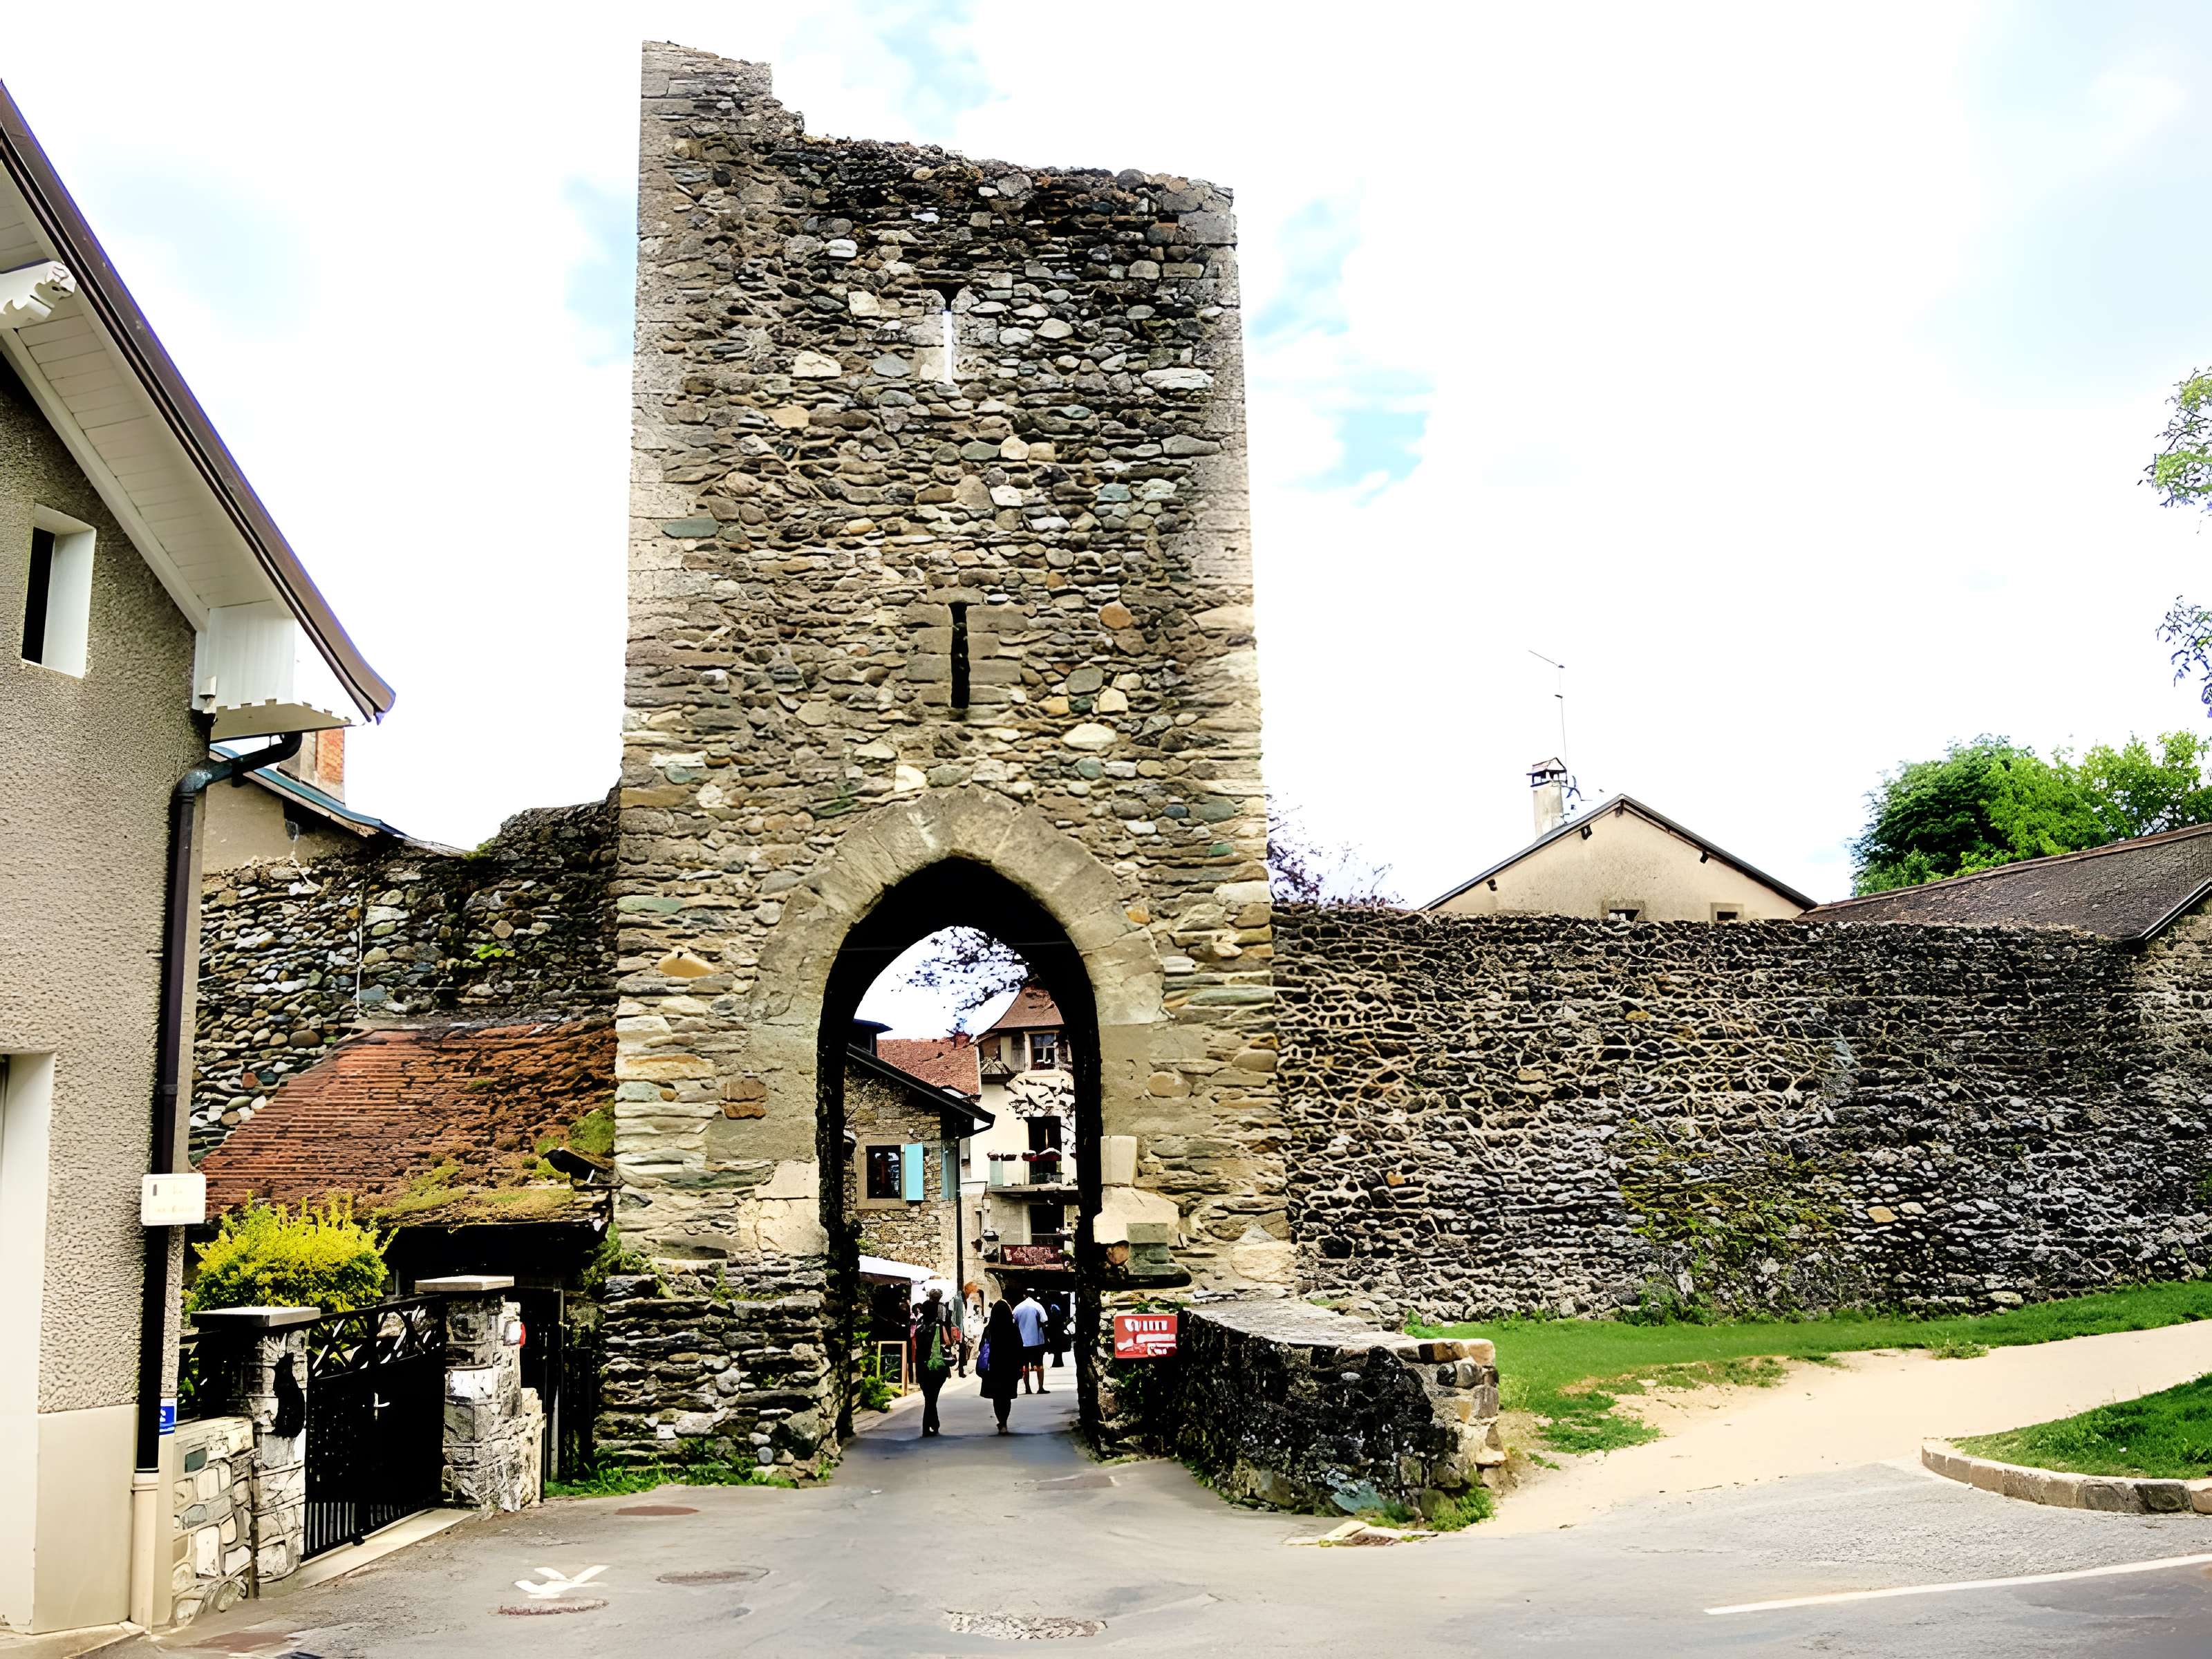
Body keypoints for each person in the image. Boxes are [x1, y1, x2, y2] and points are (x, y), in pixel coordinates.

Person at [910, 1286, 957, 1437]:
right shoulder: (939, 1325)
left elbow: (916, 1344)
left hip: (922, 1364)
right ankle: (930, 1424)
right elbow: (948, 1343)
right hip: (936, 1365)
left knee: (928, 1396)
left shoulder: (919, 1326)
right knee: (932, 1397)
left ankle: (931, 1424)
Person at [976, 1299, 1022, 1434]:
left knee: (997, 1396)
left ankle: (1001, 1422)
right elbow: (1019, 1347)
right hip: (1010, 1366)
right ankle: (1004, 1422)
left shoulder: (989, 1329)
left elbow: (982, 1347)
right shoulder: (1013, 1328)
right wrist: (1021, 1364)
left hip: (993, 1366)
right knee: (1006, 1396)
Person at [1013, 1288, 1049, 1394]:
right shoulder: (1038, 1306)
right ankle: (1040, 1388)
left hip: (1022, 1342)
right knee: (1039, 1365)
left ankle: (1028, 1388)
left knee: (1025, 1366)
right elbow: (1044, 1321)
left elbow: (1013, 1322)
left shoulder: (1017, 1308)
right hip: (1037, 1341)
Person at [1045, 1296, 1069, 1369]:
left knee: (1056, 1351)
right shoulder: (1059, 1318)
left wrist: (1048, 1335)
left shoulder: (1051, 1318)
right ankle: (1059, 1363)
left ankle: (1056, 1363)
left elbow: (1049, 1327)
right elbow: (1062, 1326)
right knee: (1059, 1351)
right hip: (1059, 1335)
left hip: (1054, 1336)